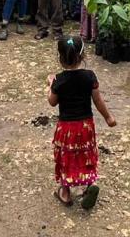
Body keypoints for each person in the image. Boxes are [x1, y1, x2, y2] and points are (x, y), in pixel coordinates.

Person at [47, 36, 116, 209]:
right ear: (82, 56)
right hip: (85, 125)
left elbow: (52, 102)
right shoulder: (89, 76)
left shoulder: (59, 80)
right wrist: (108, 117)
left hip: (67, 128)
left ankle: (65, 192)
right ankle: (88, 185)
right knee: (85, 154)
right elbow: (98, 101)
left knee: (66, 157)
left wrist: (50, 84)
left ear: (60, 58)